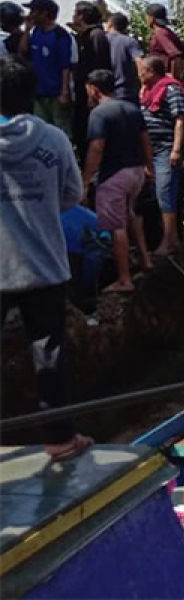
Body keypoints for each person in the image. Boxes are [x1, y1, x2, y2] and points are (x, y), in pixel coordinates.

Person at [0, 56, 92, 461]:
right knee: (49, 355)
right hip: (45, 266)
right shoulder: (53, 139)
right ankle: (59, 439)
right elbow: (73, 195)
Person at [81, 69, 153, 293]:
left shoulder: (99, 114)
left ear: (94, 89)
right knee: (131, 214)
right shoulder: (132, 108)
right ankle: (145, 260)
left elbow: (97, 148)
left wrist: (85, 180)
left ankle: (124, 279)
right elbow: (145, 140)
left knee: (116, 227)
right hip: (135, 172)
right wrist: (149, 167)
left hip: (113, 176)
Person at [139, 56, 184, 256]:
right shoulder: (146, 92)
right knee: (158, 194)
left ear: (152, 72)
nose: (140, 74)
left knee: (165, 192)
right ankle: (172, 239)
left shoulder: (170, 89)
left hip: (166, 148)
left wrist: (176, 149)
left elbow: (179, 120)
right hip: (151, 149)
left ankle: (168, 241)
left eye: (143, 70)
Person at [24, 0, 74, 135]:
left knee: (60, 130)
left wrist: (64, 92)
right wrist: (27, 30)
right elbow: (23, 51)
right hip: (38, 91)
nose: (30, 14)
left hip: (55, 92)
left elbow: (65, 65)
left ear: (44, 13)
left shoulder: (60, 35)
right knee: (40, 130)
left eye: (33, 11)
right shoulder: (36, 32)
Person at [71, 1, 112, 149]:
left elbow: (99, 66)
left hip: (92, 93)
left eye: (76, 14)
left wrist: (93, 93)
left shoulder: (96, 35)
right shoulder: (87, 35)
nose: (74, 16)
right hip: (84, 91)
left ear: (82, 16)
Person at [105, 13, 143, 104]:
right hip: (127, 91)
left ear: (110, 24)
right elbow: (139, 61)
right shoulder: (130, 41)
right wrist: (144, 85)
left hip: (105, 91)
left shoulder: (102, 39)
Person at [145, 3, 184, 81]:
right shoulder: (167, 32)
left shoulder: (160, 33)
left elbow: (175, 55)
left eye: (147, 16)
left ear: (151, 18)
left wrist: (173, 78)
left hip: (162, 79)